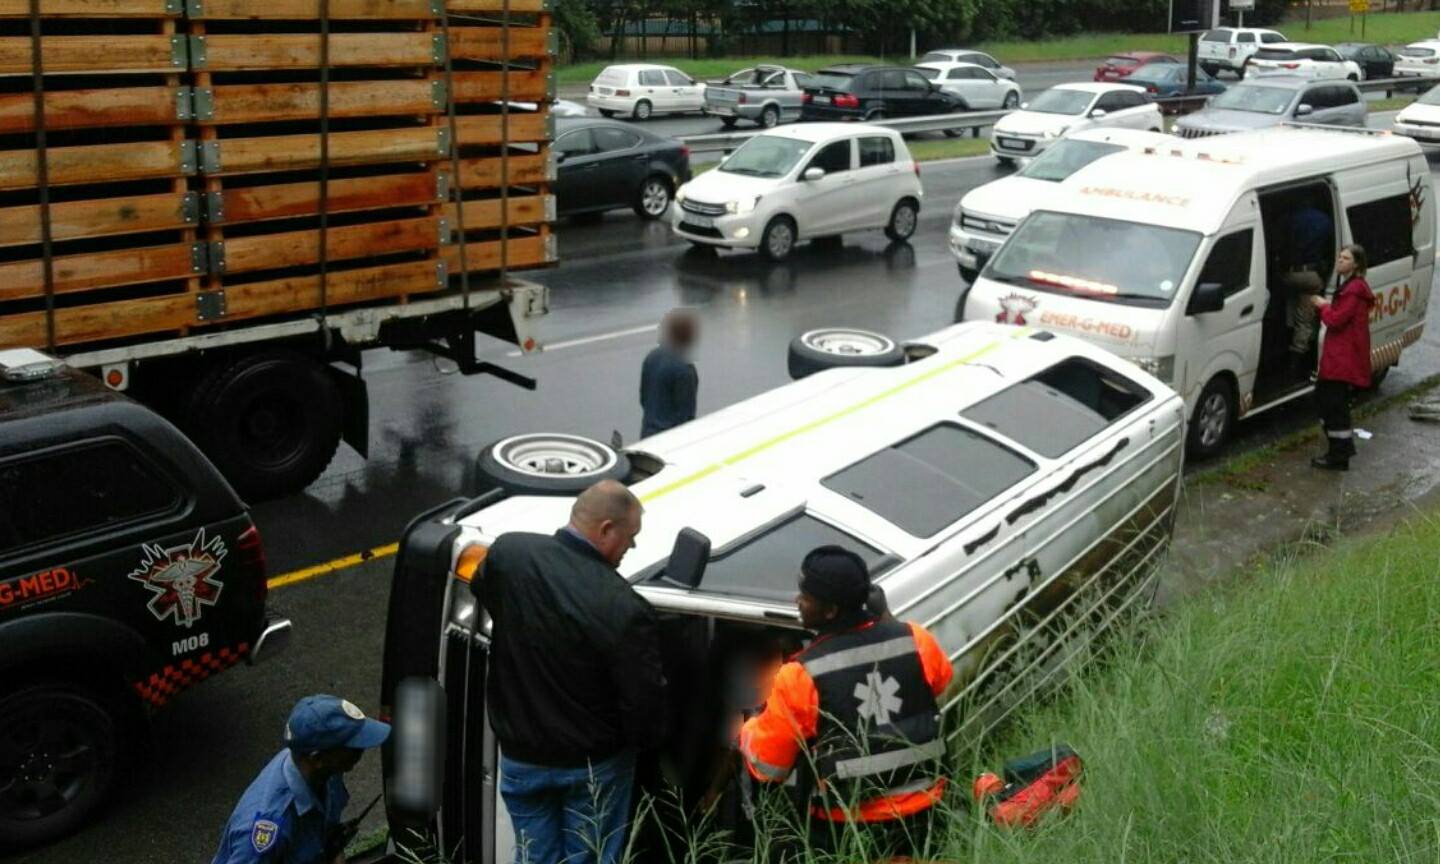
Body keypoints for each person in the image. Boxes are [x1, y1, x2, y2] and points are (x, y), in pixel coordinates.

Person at [476, 480, 665, 864]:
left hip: (520, 758)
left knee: (533, 856)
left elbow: (487, 592)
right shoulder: (624, 608)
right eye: (630, 537)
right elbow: (643, 704)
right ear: (607, 529)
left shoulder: (511, 552)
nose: (632, 547)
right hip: (591, 768)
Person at [739, 546, 954, 856]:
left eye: (806, 597)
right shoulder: (916, 638)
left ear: (830, 612)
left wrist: (750, 727)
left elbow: (770, 768)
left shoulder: (799, 675)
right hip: (926, 809)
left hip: (850, 825)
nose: (797, 602)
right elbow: (938, 684)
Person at [211, 695, 391, 864]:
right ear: (317, 758)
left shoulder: (323, 770)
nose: (362, 750)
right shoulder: (268, 826)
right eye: (353, 747)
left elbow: (327, 834)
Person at [1309, 244, 1375, 471]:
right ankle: (1340, 451)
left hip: (1341, 360)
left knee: (1332, 406)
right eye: (1339, 257)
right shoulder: (1350, 287)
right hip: (1338, 358)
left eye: (1345, 258)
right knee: (1328, 403)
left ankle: (1339, 455)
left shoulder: (1354, 290)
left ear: (1356, 264)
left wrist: (1323, 306)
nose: (1340, 261)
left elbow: (1336, 320)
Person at [1282, 202, 1334, 376]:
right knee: (1304, 320)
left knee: (1290, 308)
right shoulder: (1325, 221)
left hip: (1288, 274)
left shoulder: (1289, 219)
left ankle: (1284, 339)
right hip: (1311, 276)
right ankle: (1295, 363)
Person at [639, 309, 699, 438]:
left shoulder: (652, 357)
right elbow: (686, 416)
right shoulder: (685, 369)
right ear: (689, 336)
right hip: (669, 441)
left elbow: (644, 399)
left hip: (647, 434)